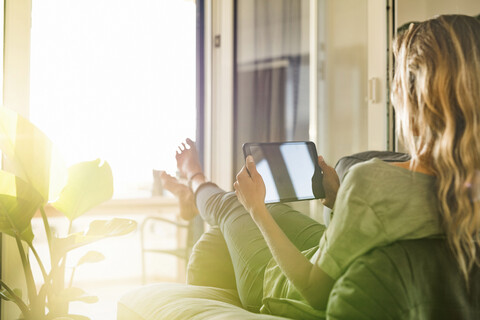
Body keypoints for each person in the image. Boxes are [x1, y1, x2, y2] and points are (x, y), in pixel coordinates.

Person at [159, 14, 480, 316]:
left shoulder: (372, 179)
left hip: (288, 288)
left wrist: (255, 207)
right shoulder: (466, 186)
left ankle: (194, 180)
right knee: (278, 208)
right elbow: (399, 218)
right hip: (325, 249)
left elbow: (315, 290)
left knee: (233, 204)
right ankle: (196, 199)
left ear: (414, 98)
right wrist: (342, 198)